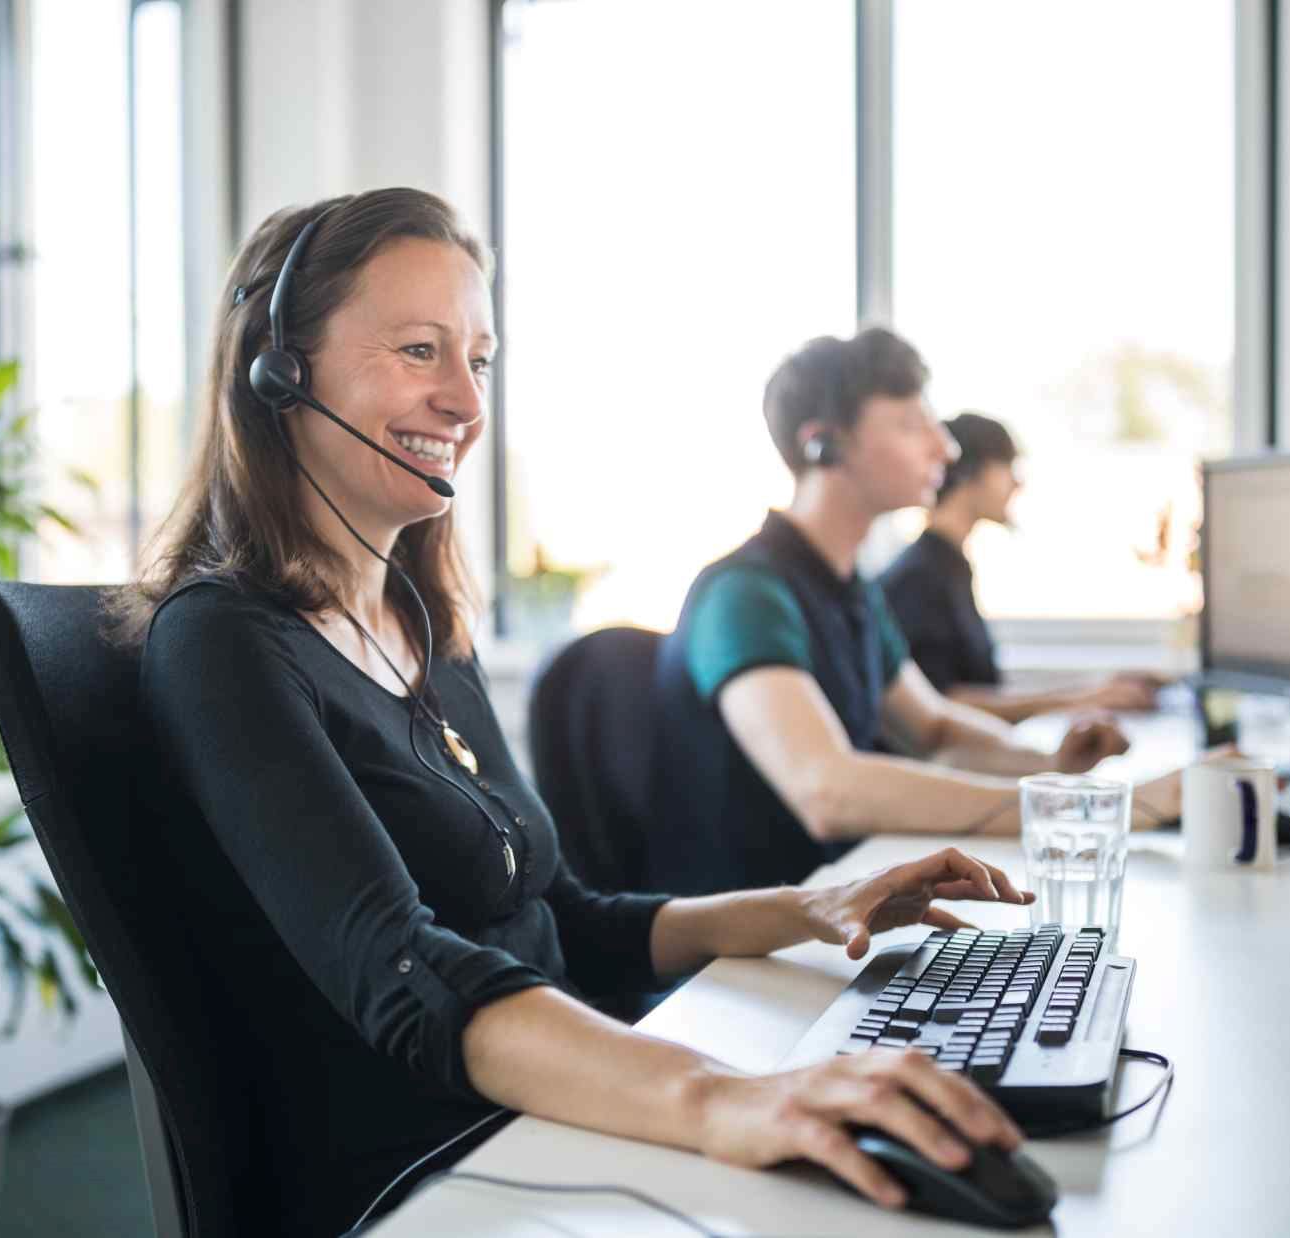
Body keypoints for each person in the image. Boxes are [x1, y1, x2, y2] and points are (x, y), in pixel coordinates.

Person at [112, 189, 1035, 1235]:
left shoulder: (420, 622)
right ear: (280, 370)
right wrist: (721, 1097)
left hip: (551, 1113)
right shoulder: (223, 641)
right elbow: (402, 971)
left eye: (480, 359)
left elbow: (567, 918)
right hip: (439, 1174)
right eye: (420, 350)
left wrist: (812, 907)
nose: (465, 400)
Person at [646, 331, 1185, 898]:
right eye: (910, 424)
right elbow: (826, 790)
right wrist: (1087, 809)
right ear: (822, 445)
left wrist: (1050, 763)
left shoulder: (849, 590)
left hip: (840, 906)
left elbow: (933, 727)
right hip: (740, 960)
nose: (945, 449)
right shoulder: (745, 595)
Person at [879, 412, 1167, 723]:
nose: (1017, 482)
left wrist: (1093, 691)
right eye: (1007, 466)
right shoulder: (919, 578)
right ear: (970, 473)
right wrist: (1085, 699)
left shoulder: (950, 566)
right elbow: (940, 702)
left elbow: (978, 689)